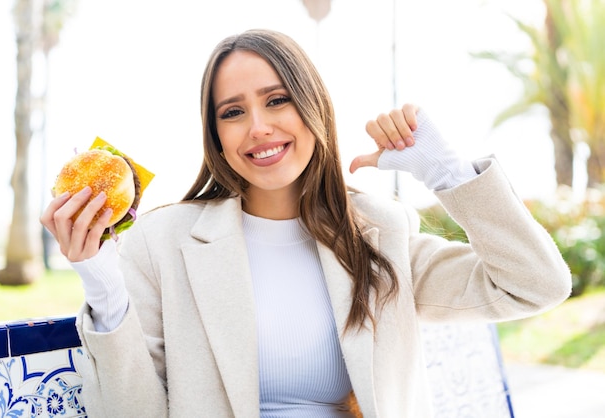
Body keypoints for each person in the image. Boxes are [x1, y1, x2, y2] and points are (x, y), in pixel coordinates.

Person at [40, 28, 571, 418]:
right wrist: (103, 284)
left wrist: (448, 174)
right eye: (232, 112)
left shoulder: (380, 230)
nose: (259, 128)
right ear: (216, 136)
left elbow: (535, 286)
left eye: (277, 100)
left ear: (313, 106)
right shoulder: (163, 242)